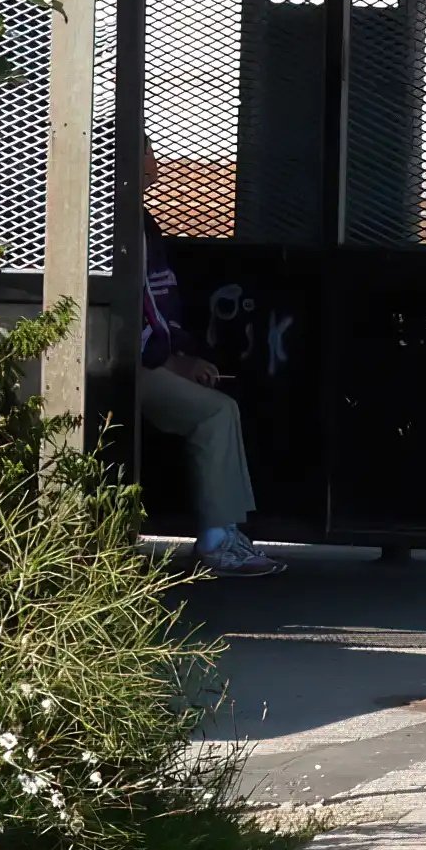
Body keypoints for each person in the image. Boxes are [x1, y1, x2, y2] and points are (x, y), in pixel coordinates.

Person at [133, 163, 281, 579]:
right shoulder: (115, 218)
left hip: (153, 356)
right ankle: (215, 540)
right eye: (144, 151)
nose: (154, 167)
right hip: (128, 362)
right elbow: (128, 308)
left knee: (224, 407)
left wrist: (178, 351)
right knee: (214, 412)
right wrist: (171, 359)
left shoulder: (141, 220)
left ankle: (228, 530)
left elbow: (161, 301)